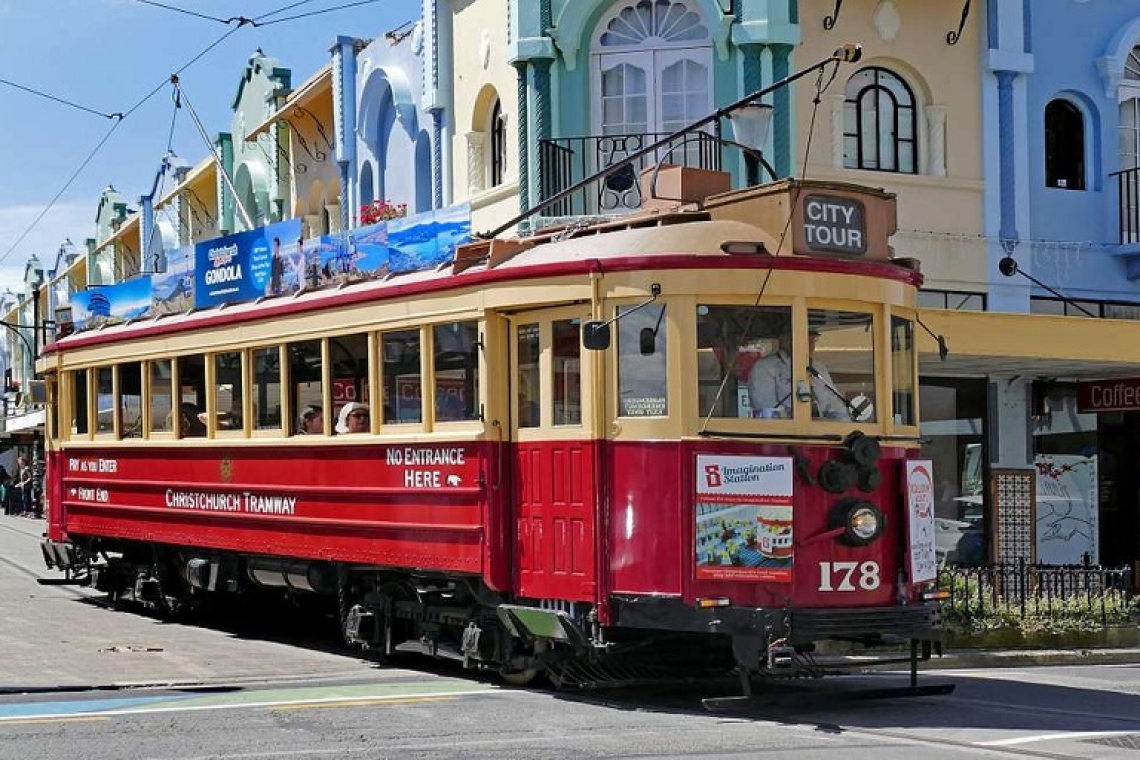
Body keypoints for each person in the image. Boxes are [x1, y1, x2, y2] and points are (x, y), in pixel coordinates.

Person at [747, 330, 850, 420]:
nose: (810, 345)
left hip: (824, 435)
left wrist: (836, 424)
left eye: (813, 340)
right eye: (806, 339)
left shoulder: (819, 368)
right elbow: (767, 410)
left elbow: (836, 406)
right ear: (786, 342)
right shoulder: (765, 367)